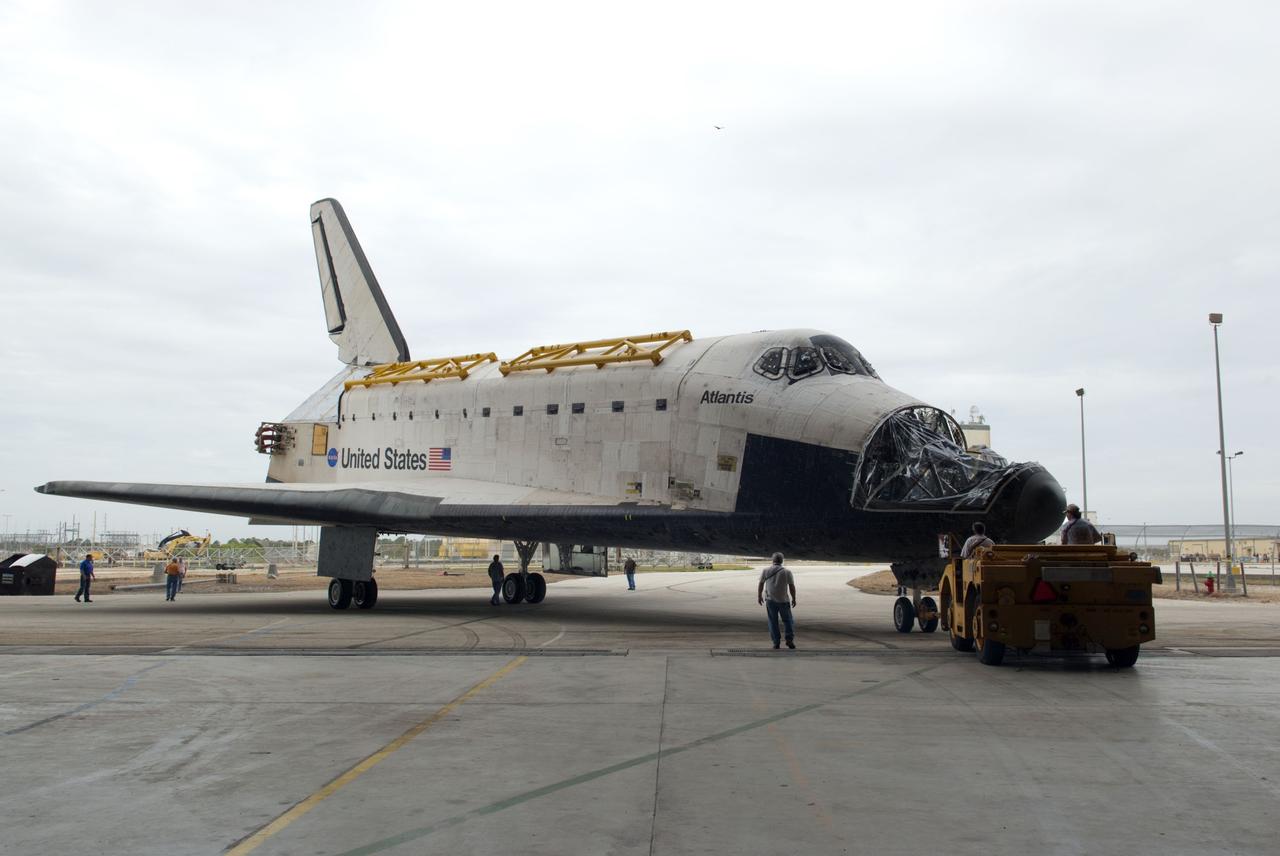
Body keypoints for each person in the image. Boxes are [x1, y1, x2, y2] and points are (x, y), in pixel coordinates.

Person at [757, 552, 797, 649]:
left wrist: (759, 596)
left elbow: (761, 583)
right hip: (784, 600)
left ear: (772, 560)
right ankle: (789, 640)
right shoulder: (787, 572)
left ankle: (776, 642)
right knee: (788, 621)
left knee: (773, 621)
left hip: (770, 600)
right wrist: (794, 598)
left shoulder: (766, 570)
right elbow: (792, 587)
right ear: (782, 560)